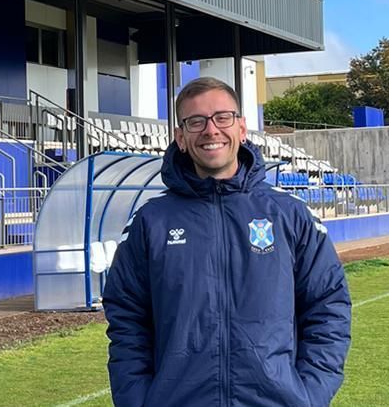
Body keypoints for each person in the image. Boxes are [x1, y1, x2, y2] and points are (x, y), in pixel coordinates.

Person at [102, 77, 352, 407]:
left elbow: (328, 306)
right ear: (180, 137)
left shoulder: (289, 215)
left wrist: (308, 395)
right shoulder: (151, 222)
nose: (211, 130)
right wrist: (138, 400)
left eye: (223, 117)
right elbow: (127, 318)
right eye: (196, 121)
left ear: (242, 128)